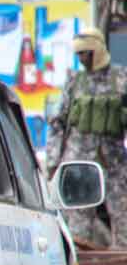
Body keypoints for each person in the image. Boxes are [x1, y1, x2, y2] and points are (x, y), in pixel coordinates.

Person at [46, 28, 127, 248]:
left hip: (114, 162)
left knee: (122, 216)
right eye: (79, 54)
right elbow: (57, 122)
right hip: (79, 163)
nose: (81, 58)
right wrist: (53, 162)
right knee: (78, 221)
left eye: (86, 53)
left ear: (97, 50)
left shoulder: (121, 78)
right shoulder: (75, 82)